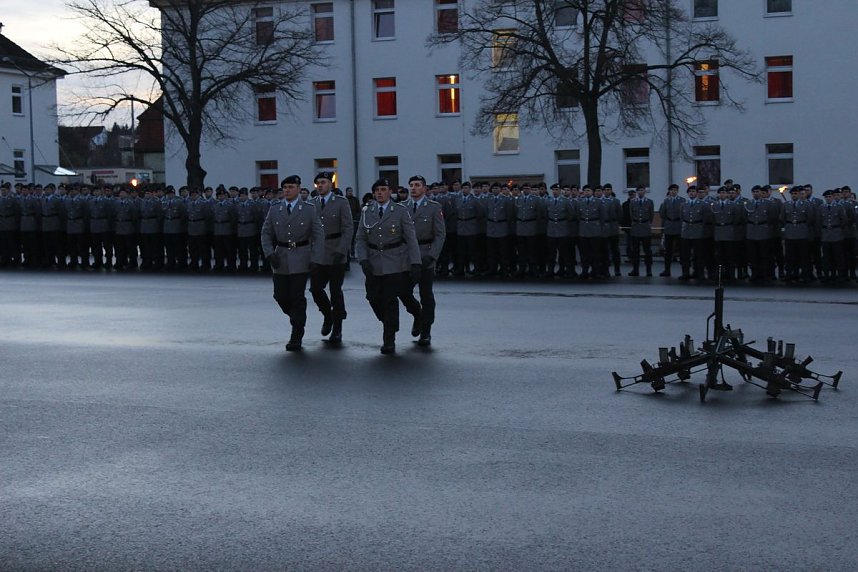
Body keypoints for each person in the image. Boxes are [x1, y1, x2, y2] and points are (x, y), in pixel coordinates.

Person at [355, 178, 422, 354]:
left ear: (389, 192)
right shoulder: (367, 211)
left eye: (383, 189)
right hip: (374, 260)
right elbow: (361, 238)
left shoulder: (400, 211)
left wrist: (416, 262)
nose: (379, 193)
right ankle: (390, 322)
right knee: (373, 297)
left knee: (391, 299)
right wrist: (363, 259)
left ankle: (389, 338)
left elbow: (411, 238)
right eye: (377, 190)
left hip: (396, 261)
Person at [261, 175, 325, 351]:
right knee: (280, 295)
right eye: (285, 187)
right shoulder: (275, 209)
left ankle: (297, 332)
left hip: (301, 256)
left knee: (297, 296)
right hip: (280, 256)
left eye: (291, 187)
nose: (287, 190)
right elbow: (266, 233)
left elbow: (318, 236)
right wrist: (269, 253)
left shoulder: (308, 209)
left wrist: (315, 258)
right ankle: (297, 318)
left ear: (298, 189)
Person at [399, 175, 446, 346]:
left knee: (426, 295)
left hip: (426, 254)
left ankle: (426, 330)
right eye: (411, 185)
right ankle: (417, 315)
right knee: (403, 291)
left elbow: (440, 235)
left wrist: (432, 256)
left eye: (417, 185)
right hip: (406, 257)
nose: (413, 188)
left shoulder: (434, 207)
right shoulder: (402, 207)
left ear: (424, 188)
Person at [309, 172, 353, 344]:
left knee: (336, 292)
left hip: (335, 251)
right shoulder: (311, 204)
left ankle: (338, 329)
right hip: (318, 253)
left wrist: (342, 251)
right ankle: (328, 315)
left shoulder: (341, 202)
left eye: (324, 182)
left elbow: (348, 228)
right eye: (318, 183)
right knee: (315, 289)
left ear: (331, 185)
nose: (320, 185)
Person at [628, 185, 654, 276]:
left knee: (647, 250)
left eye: (642, 190)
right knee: (635, 250)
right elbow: (631, 214)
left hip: (645, 227)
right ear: (637, 192)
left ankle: (649, 270)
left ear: (645, 191)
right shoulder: (632, 202)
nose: (640, 192)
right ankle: (635, 269)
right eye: (639, 190)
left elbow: (651, 215)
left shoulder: (649, 202)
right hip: (636, 227)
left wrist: (648, 223)